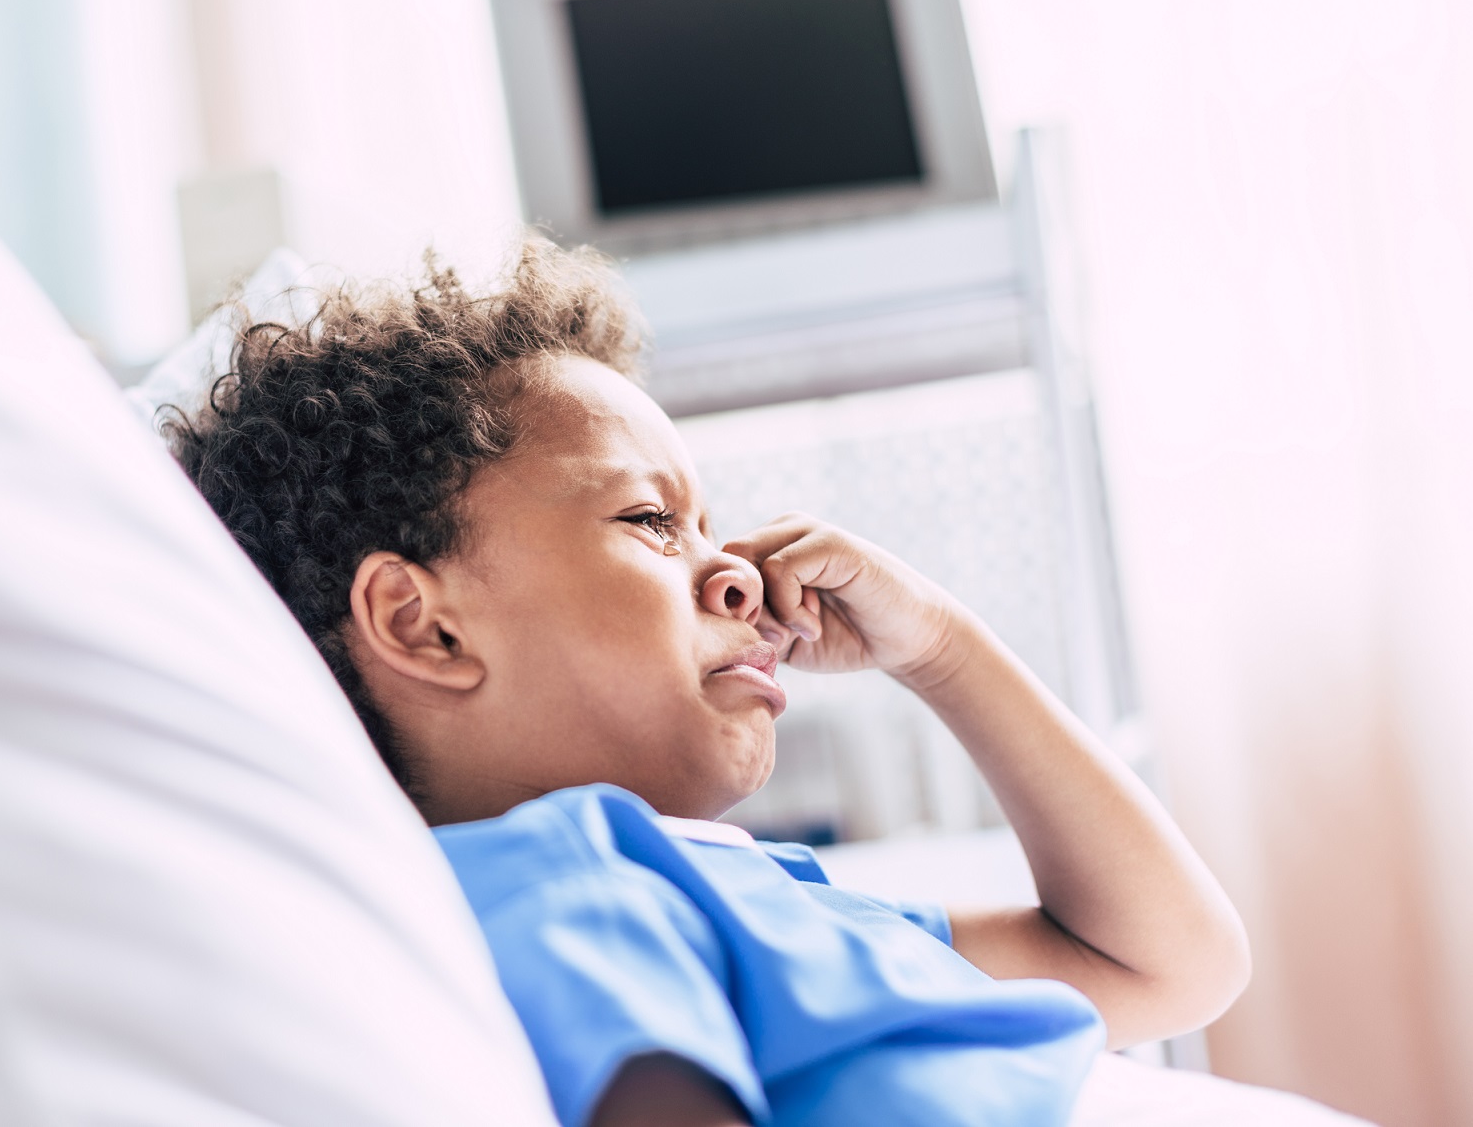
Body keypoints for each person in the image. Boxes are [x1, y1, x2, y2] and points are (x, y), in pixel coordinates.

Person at [167, 238, 1251, 1127]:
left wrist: (940, 647)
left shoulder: (747, 889)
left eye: (710, 525)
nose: (736, 571)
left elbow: (1169, 962)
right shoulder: (547, 877)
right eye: (650, 520)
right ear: (425, 625)